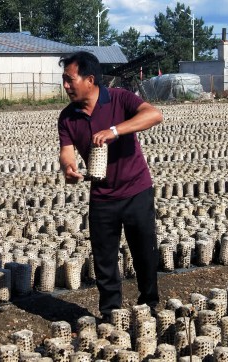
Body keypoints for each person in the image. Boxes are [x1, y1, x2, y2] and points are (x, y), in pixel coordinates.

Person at [57, 51, 162, 321]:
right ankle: (110, 312)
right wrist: (68, 168)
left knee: (144, 251)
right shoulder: (68, 117)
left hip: (136, 189)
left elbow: (154, 115)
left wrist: (114, 131)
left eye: (70, 80)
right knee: (104, 258)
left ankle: (149, 302)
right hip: (102, 196)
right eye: (64, 80)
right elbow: (66, 151)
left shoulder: (120, 98)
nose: (66, 86)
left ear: (90, 79)